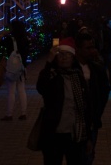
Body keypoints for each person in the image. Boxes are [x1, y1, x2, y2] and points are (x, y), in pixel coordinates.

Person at [36, 37, 92, 165]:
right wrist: (48, 62)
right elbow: (41, 87)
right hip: (54, 133)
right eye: (60, 54)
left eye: (68, 54)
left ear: (73, 58)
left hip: (75, 134)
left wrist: (88, 137)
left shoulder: (78, 77)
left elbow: (86, 107)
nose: (64, 57)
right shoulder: (52, 75)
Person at [75, 32, 110, 164]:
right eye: (88, 48)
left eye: (93, 47)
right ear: (78, 50)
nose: (92, 51)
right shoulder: (71, 67)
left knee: (88, 154)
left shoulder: (97, 69)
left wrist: (97, 112)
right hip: (74, 121)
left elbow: (104, 92)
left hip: (91, 120)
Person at [0, 19, 30, 120]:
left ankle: (9, 114)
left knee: (11, 91)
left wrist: (1, 35)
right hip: (21, 67)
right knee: (21, 90)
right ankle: (23, 113)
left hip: (11, 68)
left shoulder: (10, 39)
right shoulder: (25, 38)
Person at [99, 18, 111, 91]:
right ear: (107, 24)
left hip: (104, 52)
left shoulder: (103, 31)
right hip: (109, 52)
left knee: (104, 68)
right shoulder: (108, 31)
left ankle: (103, 84)